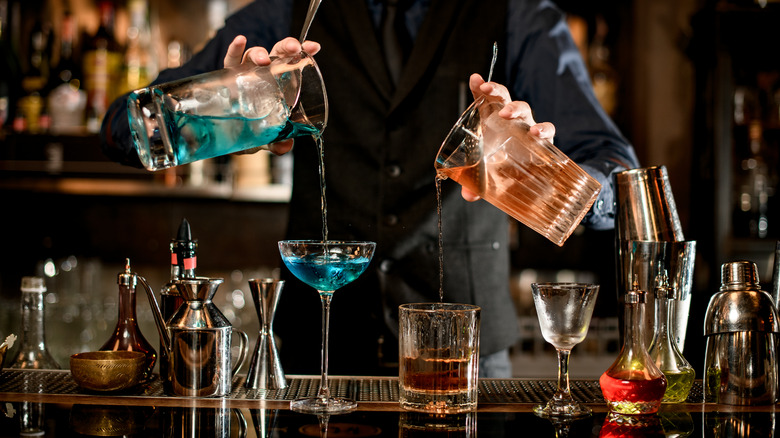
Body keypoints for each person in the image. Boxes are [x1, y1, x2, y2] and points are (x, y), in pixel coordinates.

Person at [101, 0, 639, 378]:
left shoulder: (518, 15)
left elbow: (617, 170)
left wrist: (551, 174)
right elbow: (122, 130)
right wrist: (221, 114)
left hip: (463, 357)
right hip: (321, 352)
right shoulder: (289, 10)